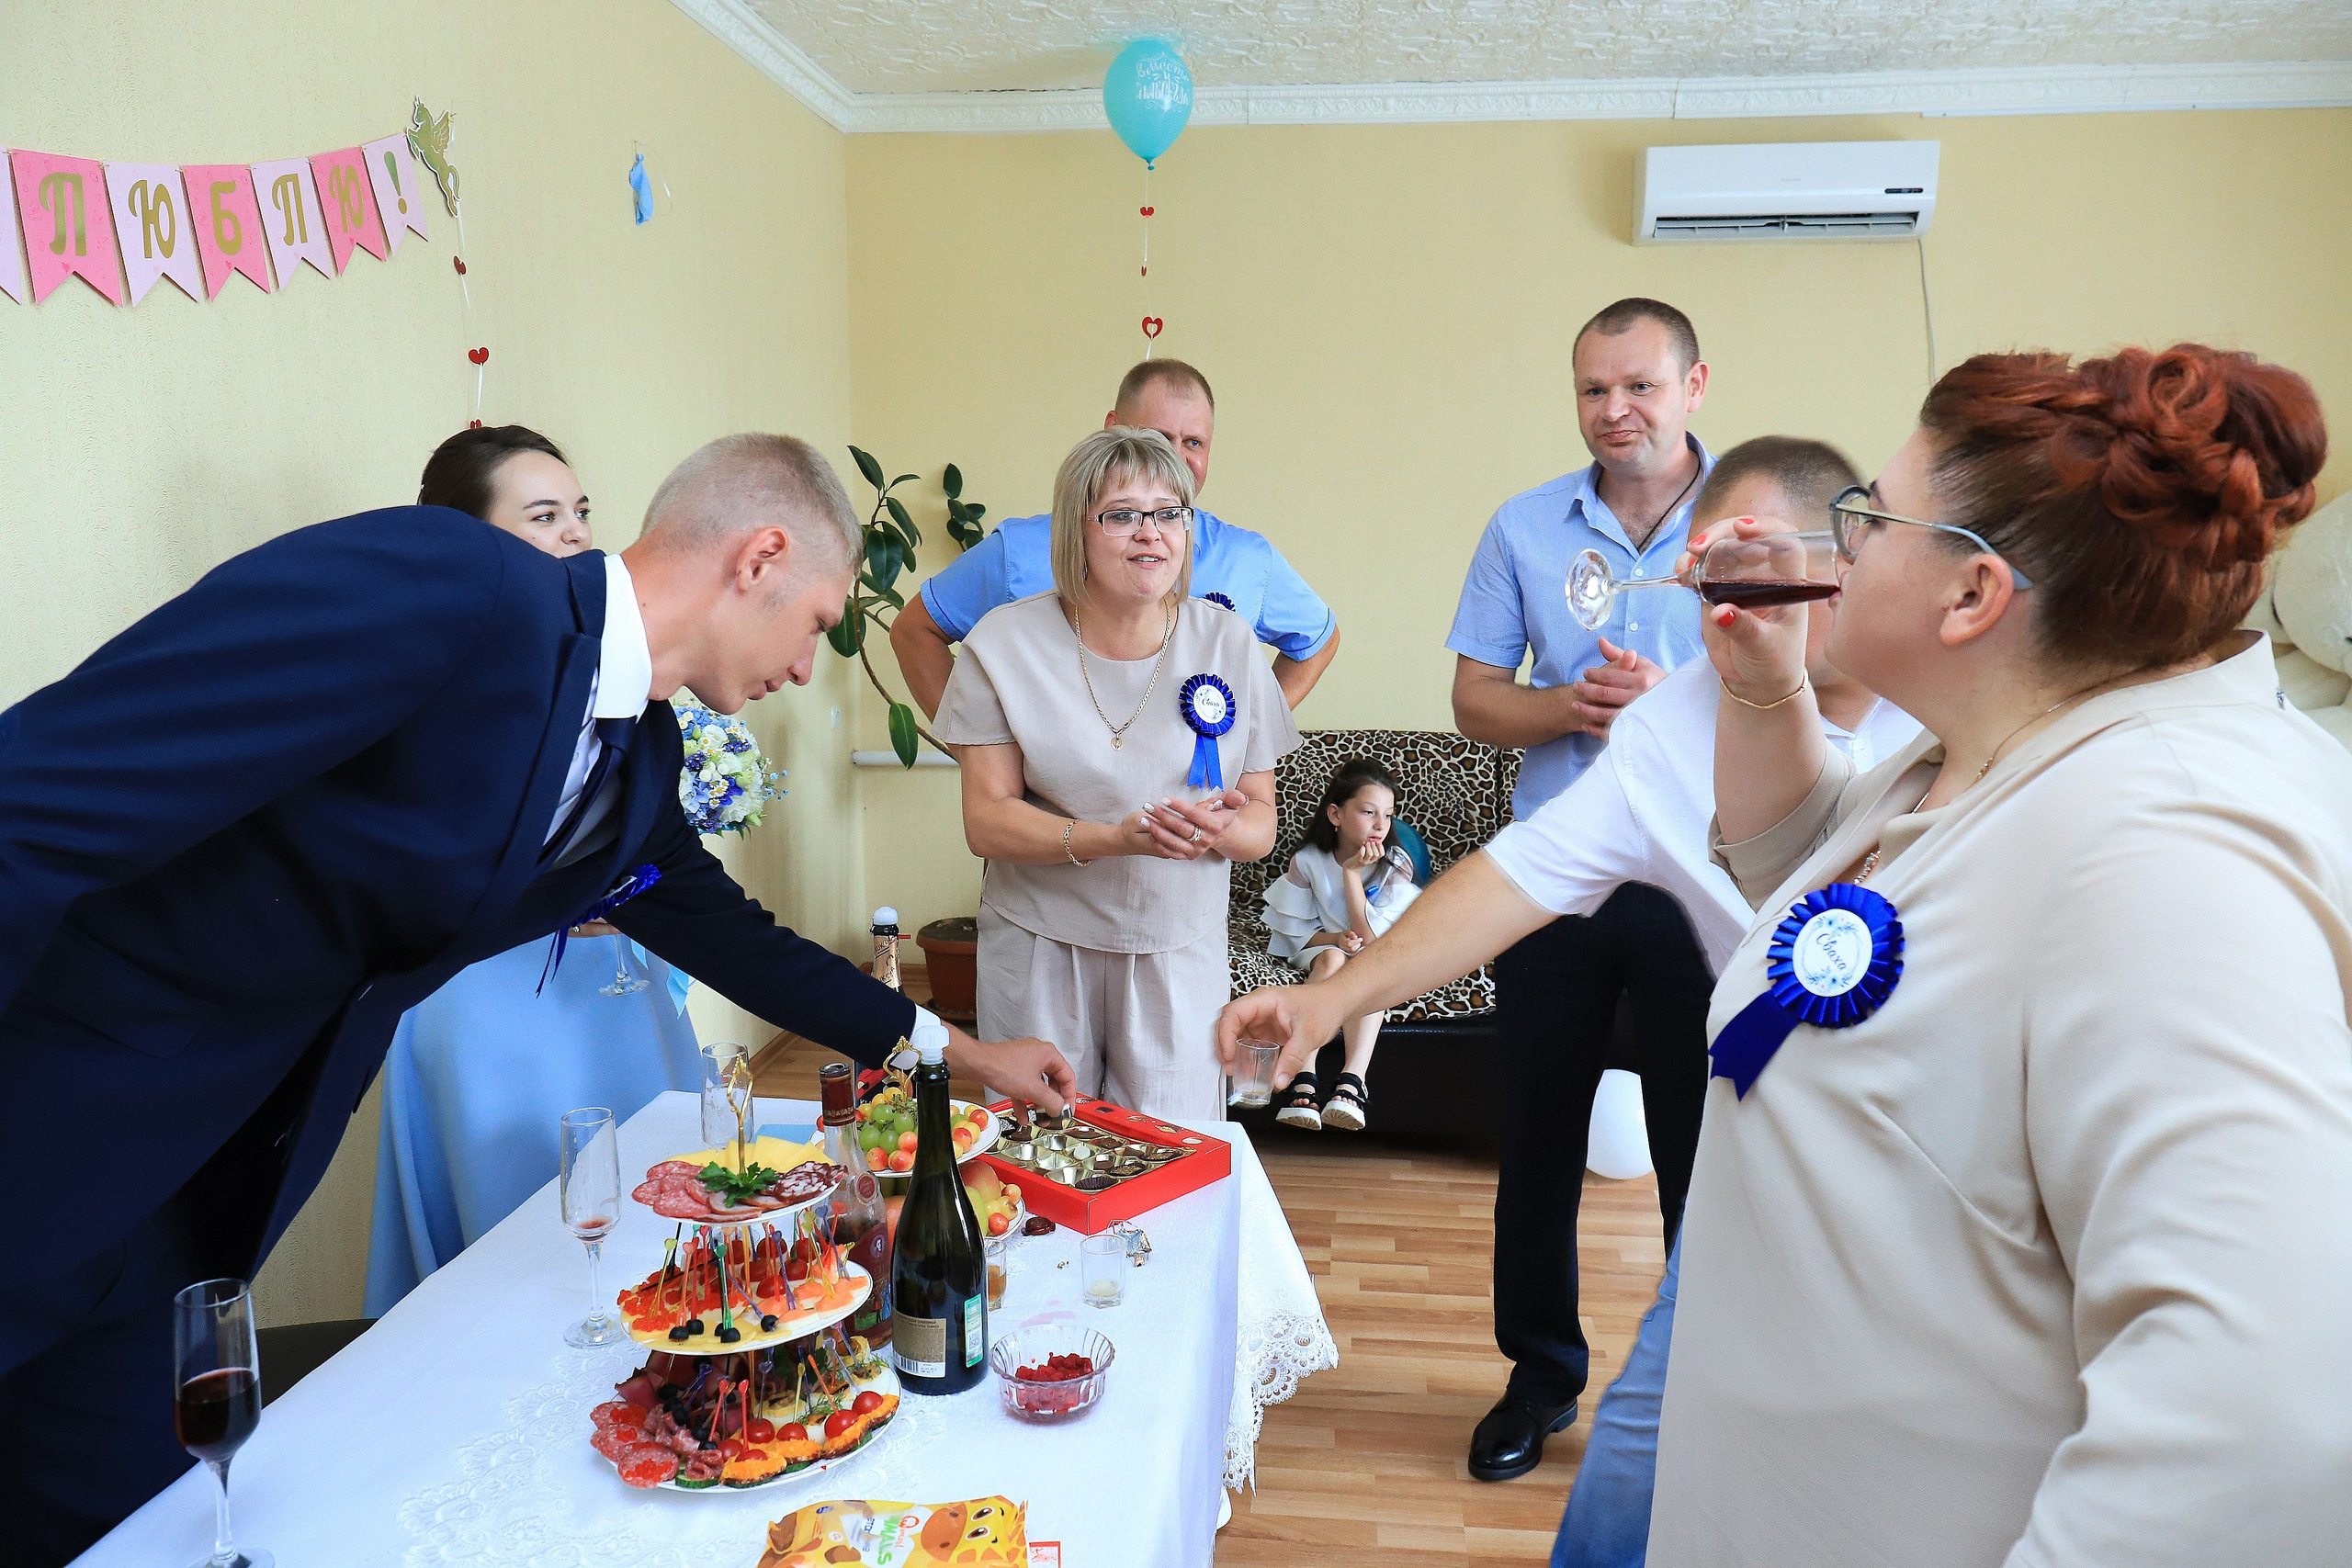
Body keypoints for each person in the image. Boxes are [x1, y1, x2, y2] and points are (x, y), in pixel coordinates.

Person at [0, 433, 1074, 1563]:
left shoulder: (643, 765)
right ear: (758, 557)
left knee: (111, 1516)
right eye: (815, 623)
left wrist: (956, 1047)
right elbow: (42, 799)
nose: (809, 669)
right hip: (54, 1114)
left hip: (205, 1197)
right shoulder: (450, 584)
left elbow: (741, 946)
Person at [1653, 346, 2351, 1565]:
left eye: (1870, 514)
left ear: (1972, 596)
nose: (1843, 541)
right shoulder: (1990, 747)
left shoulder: (2168, 853)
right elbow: (1829, 915)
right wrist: (1764, 688)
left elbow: (2266, 1413)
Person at [1217, 436, 1917, 1562]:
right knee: (1610, 1520)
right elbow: (1510, 877)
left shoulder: (1952, 724)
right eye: (1708, 586)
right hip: (1759, 1200)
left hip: (1890, 1222)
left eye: (1750, 579)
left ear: (1841, 566)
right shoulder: (1681, 721)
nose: (1721, 614)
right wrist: (1317, 1007)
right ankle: (1545, 1379)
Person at [1444, 297, 1716, 1481]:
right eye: (1593, 391)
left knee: (1702, 1152)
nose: (1615, 412)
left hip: (1701, 883)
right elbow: (1471, 700)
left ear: (1694, 387)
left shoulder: (1755, 527)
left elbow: (1825, 687)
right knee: (1540, 1144)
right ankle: (1539, 1379)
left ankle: (1702, 1387)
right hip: (1555, 881)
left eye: (1640, 387)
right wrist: (1571, 707)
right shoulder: (1522, 527)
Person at [365, 425, 705, 1315]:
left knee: (662, 1180)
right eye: (545, 515)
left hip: (611, 969)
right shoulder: (417, 682)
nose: (576, 536)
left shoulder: (620, 676)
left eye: (581, 514)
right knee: (516, 1240)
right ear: (466, 540)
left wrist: (623, 886)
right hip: (481, 994)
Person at [934, 425, 1299, 1118]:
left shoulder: (1228, 644)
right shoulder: (1004, 644)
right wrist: (1115, 837)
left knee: (1169, 1160)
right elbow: (986, 819)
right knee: (1038, 1159)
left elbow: (1261, 822)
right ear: (1078, 528)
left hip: (1176, 952)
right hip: (1040, 948)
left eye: (1169, 514)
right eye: (1123, 514)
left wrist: (1221, 828)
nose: (1150, 534)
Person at [892, 358, 1340, 717]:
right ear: (1112, 428)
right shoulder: (1019, 552)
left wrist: (1246, 735)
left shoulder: (1247, 559)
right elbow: (915, 632)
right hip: (1052, 825)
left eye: (1194, 443)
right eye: (1159, 437)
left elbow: (1318, 640)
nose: (1177, 459)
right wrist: (977, 752)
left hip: (1192, 822)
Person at [1259, 757, 1420, 1131]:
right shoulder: (1307, 861)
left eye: (1388, 815)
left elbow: (1374, 942)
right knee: (1333, 959)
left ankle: (1353, 1080)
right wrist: (1334, 939)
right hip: (1323, 948)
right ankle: (1304, 1073)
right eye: (1368, 812)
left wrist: (1352, 874)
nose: (1380, 825)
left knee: (1365, 965)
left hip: (1372, 951)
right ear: (1336, 814)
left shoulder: (1396, 863)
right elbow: (1292, 934)